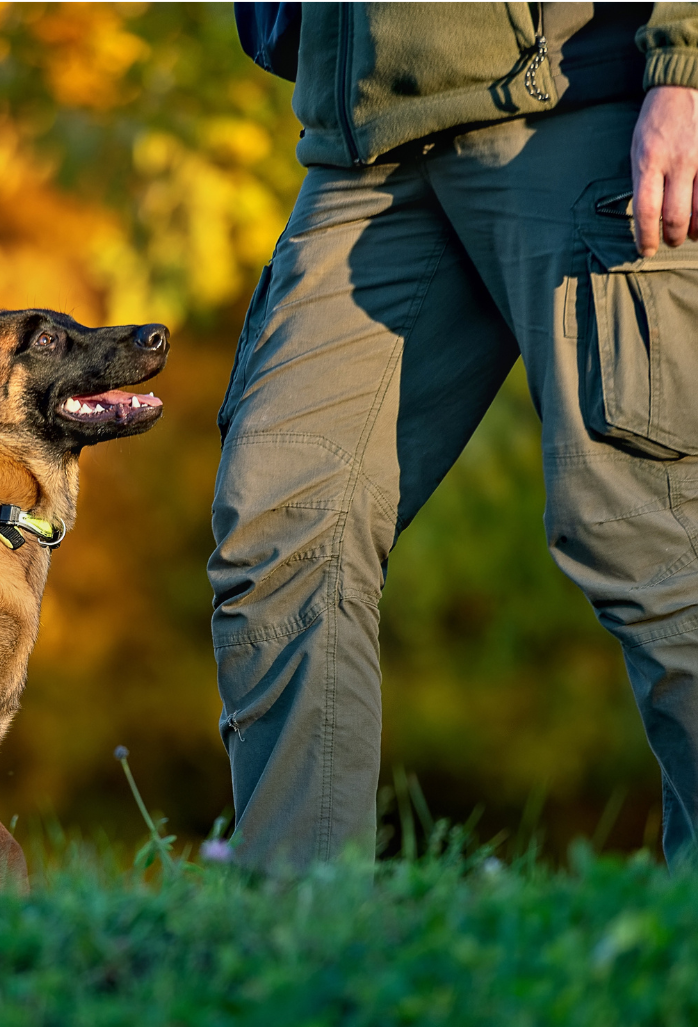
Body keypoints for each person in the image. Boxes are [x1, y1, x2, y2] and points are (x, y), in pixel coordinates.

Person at [217, 3, 698, 869]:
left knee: (649, 533)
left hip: (574, 102)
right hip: (361, 145)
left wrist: (689, 66)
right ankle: (294, 948)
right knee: (281, 524)